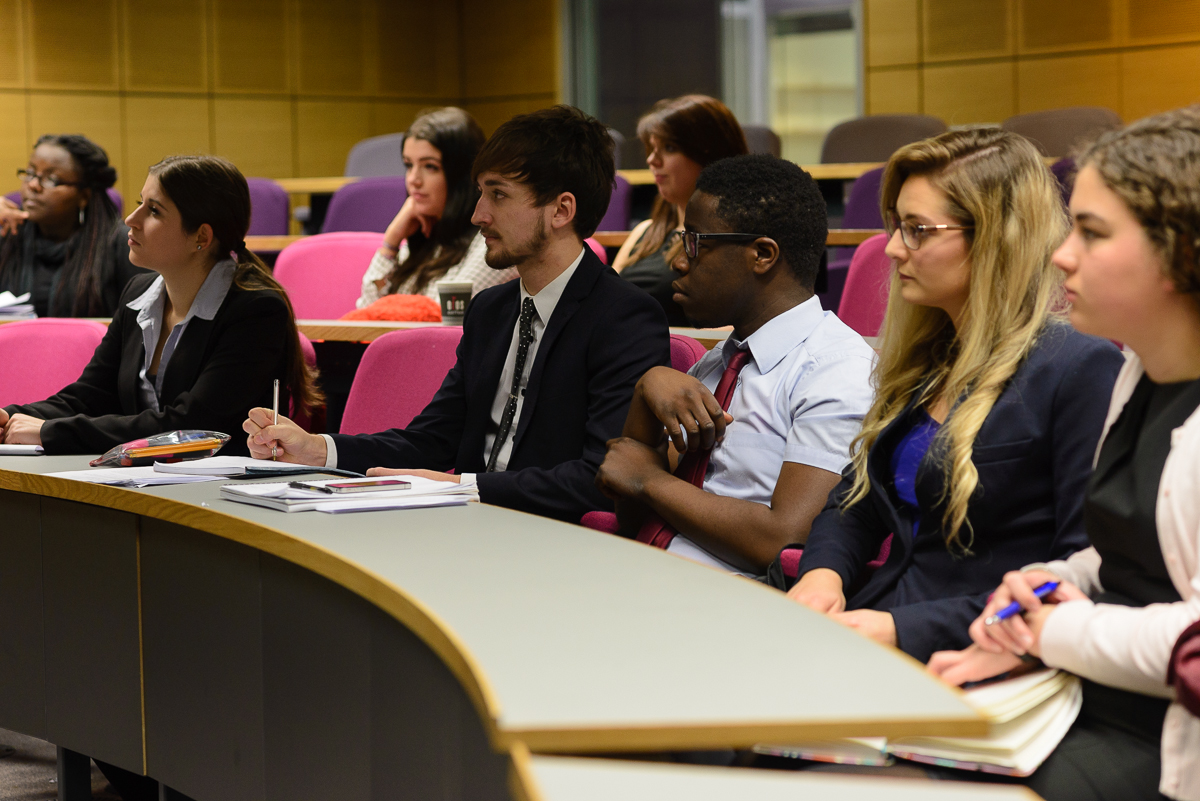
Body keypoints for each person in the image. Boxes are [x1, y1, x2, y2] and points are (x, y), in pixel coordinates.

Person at [929, 107, 1200, 801]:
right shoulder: (1139, 367)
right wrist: (1041, 582)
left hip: (1170, 737)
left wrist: (1056, 629)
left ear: (1184, 251)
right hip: (1095, 692)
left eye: (1093, 232)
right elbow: (1127, 557)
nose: (1061, 254)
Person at [780, 128, 1124, 664]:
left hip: (979, 651)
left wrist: (902, 628)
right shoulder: (931, 355)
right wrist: (823, 574)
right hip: (878, 630)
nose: (892, 249)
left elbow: (1081, 570)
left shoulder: (1080, 368)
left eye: (917, 230)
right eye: (897, 226)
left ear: (994, 237)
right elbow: (858, 500)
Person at [244, 105, 671, 523]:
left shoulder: (624, 318)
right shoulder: (490, 310)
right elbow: (432, 439)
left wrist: (463, 488)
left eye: (498, 195)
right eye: (481, 192)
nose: (477, 214)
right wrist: (316, 448)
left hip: (552, 541)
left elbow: (602, 476)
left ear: (561, 210)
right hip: (467, 525)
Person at [594, 155, 875, 575]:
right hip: (646, 578)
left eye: (694, 242)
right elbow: (636, 516)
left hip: (739, 608)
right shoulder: (716, 365)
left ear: (762, 254)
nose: (678, 261)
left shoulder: (836, 370)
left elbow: (786, 541)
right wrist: (644, 394)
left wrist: (650, 480)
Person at [0, 155, 320, 455]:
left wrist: (50, 432)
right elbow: (89, 396)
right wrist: (12, 417)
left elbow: (192, 428)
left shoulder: (256, 311)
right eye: (140, 203)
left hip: (218, 488)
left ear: (202, 237)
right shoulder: (138, 292)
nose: (131, 219)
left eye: (153, 211)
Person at [356, 107, 518, 310]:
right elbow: (367, 312)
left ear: (461, 174)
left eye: (430, 167)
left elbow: (443, 316)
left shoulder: (492, 239)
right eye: (408, 165)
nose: (413, 179)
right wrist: (391, 243)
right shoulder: (422, 233)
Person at [610, 95, 748, 326]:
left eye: (669, 148)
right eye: (652, 148)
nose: (652, 160)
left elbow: (732, 332)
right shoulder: (645, 232)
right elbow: (605, 304)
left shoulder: (733, 238)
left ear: (710, 155)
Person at [0, 134, 146, 317]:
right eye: (30, 173)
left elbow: (143, 322)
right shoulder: (8, 234)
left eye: (51, 179)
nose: (33, 185)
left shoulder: (122, 245)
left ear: (83, 196)